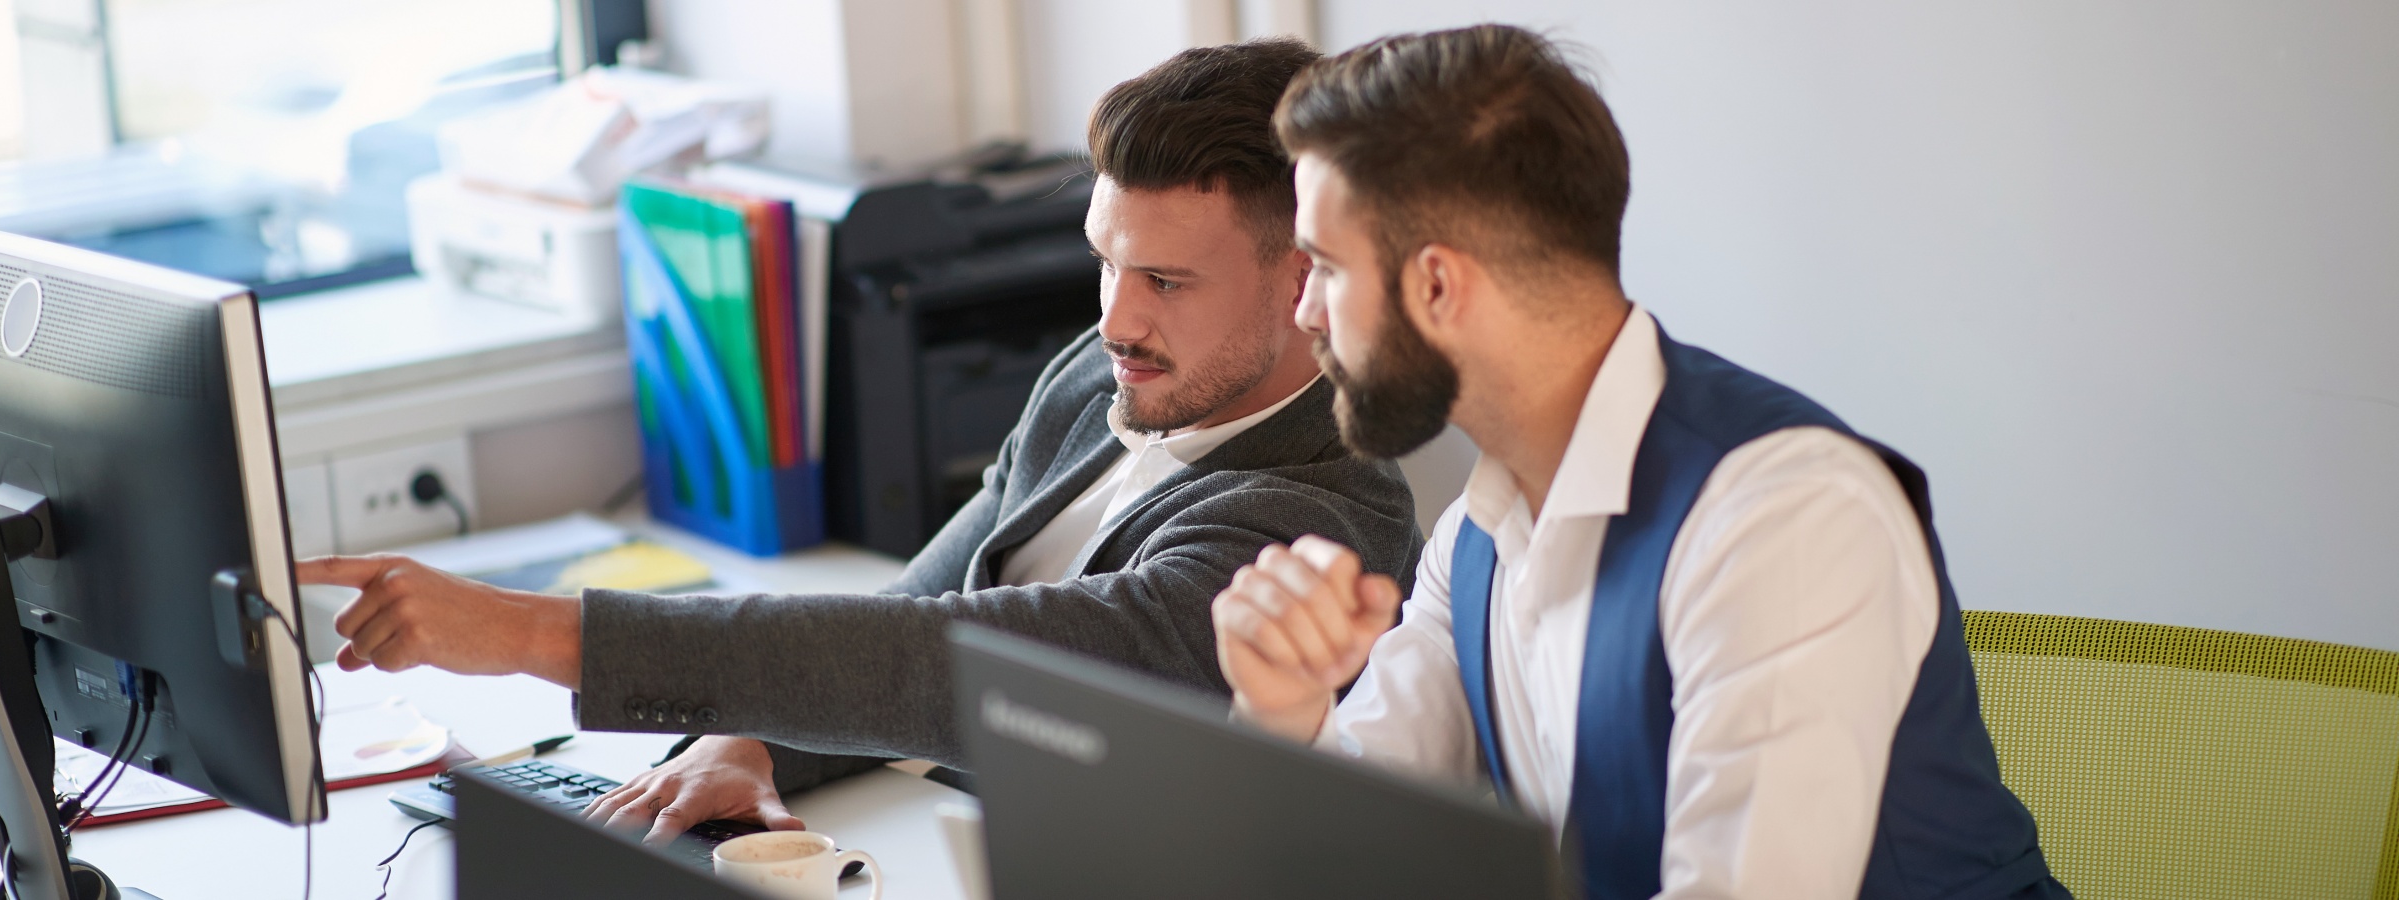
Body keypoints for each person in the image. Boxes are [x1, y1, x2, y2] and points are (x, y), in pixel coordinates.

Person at [299, 38, 1425, 844]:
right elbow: (926, 599)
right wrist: (757, 739)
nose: (1116, 318)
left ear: (1301, 281)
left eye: (1166, 281)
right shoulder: (1105, 374)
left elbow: (966, 663)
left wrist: (531, 632)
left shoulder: (1313, 520)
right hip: (917, 828)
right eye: (1105, 260)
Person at [1212, 25, 2067, 900]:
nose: (1305, 312)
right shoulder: (1479, 530)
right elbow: (1359, 840)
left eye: (1321, 265)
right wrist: (1283, 703)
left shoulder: (1783, 516)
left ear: (1437, 285)